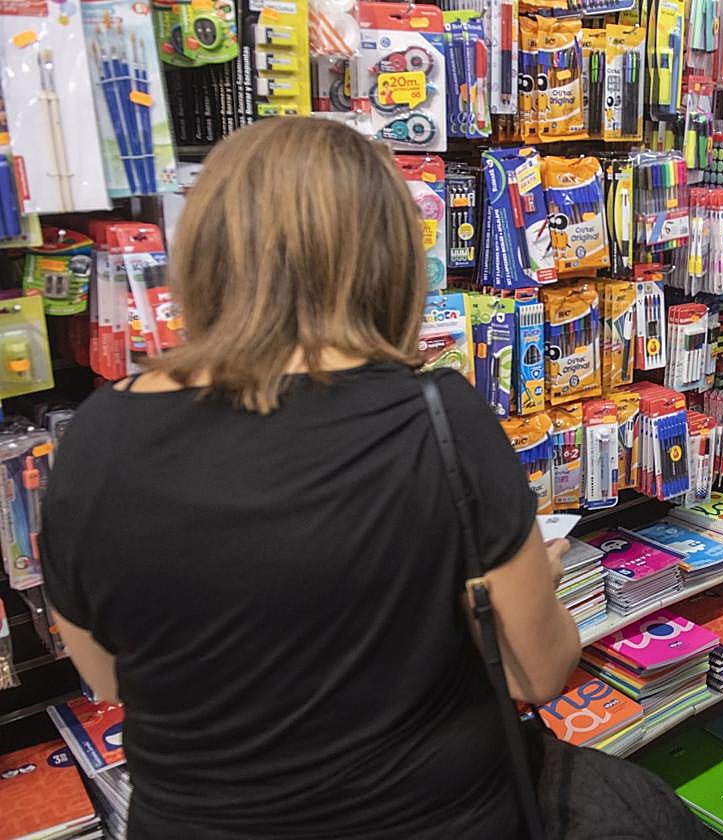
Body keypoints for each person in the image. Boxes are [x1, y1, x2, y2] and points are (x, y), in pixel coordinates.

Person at [38, 118, 585, 839]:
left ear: (203, 249)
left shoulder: (99, 437)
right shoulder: (438, 418)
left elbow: (110, 678)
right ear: (388, 256)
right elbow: (538, 674)